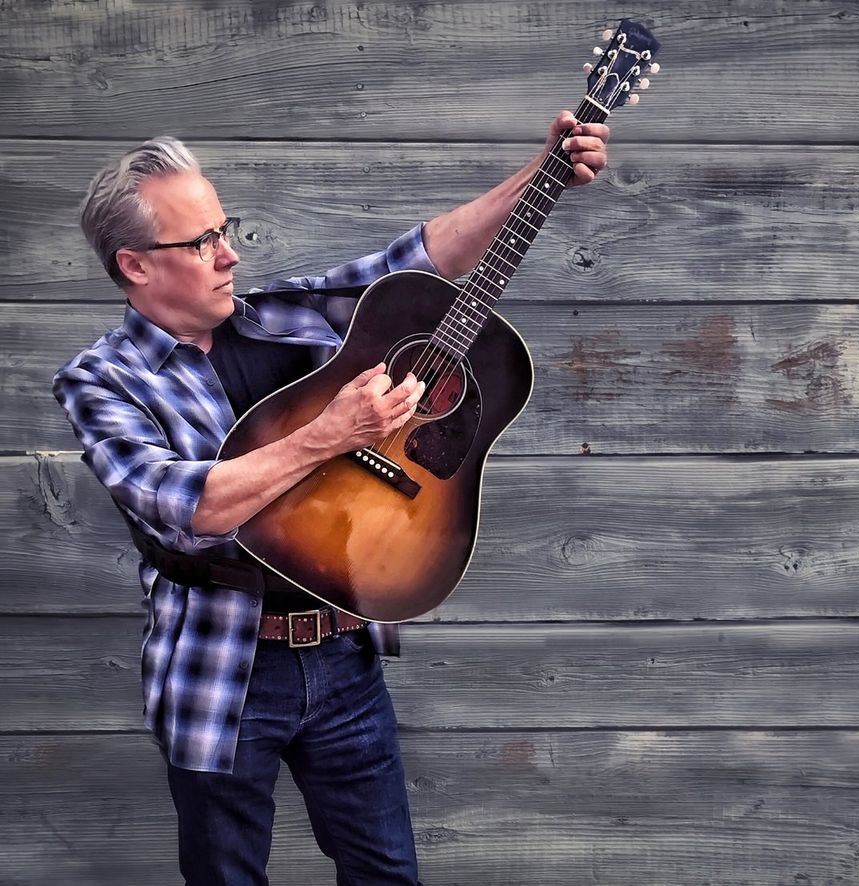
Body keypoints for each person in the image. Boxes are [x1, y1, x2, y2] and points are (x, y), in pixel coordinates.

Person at [52, 111, 610, 885]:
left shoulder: (286, 314)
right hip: (220, 667)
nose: (229, 254)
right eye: (202, 242)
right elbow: (186, 504)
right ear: (136, 266)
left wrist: (540, 172)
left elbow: (422, 258)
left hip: (344, 653)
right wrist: (333, 432)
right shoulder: (101, 380)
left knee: (387, 875)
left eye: (226, 228)